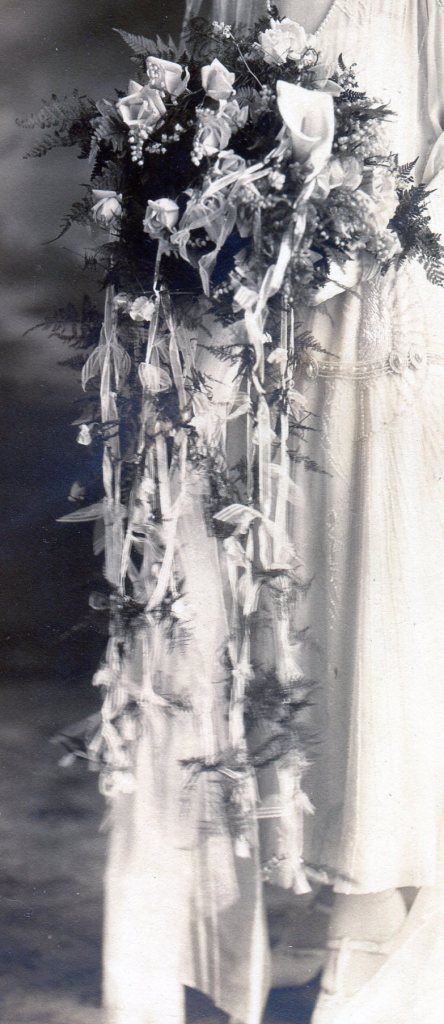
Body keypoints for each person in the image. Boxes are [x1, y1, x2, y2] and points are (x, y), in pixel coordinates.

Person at [103, 2, 444, 1022]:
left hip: (382, 300)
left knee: (371, 582)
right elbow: (210, 76)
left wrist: (360, 220)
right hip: (249, 312)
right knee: (247, 591)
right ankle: (216, 928)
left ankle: (376, 924)